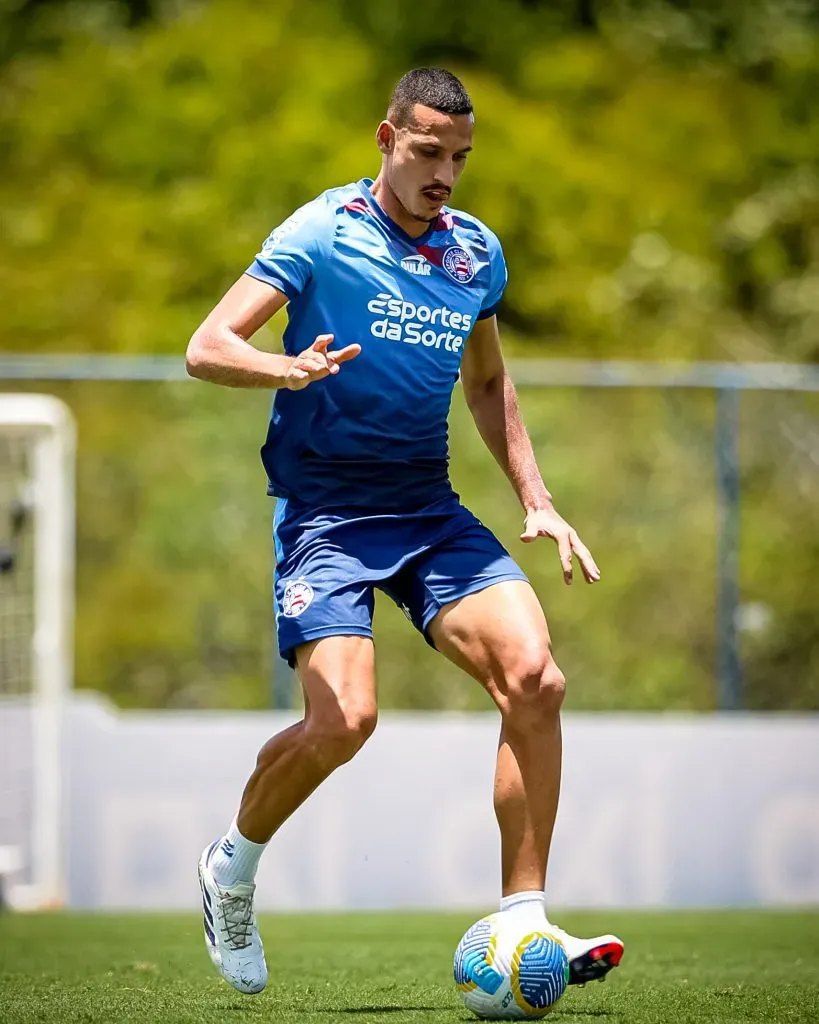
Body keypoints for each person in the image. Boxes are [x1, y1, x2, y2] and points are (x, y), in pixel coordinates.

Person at [186, 66, 624, 997]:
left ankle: (523, 922)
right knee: (344, 722)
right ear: (386, 140)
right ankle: (231, 867)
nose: (445, 174)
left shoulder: (475, 255)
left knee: (535, 678)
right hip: (327, 514)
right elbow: (207, 346)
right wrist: (284, 371)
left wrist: (535, 497)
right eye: (428, 152)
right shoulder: (321, 231)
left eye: (460, 157)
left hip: (426, 508)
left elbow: (488, 381)